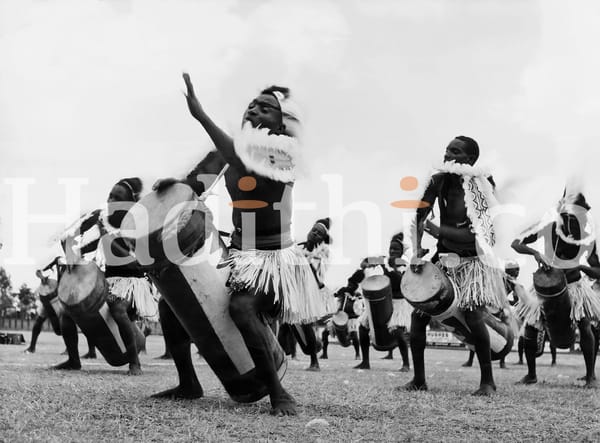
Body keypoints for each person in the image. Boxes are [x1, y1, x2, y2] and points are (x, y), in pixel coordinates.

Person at [178, 73, 329, 415]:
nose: (254, 110)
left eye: (265, 108)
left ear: (281, 123)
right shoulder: (228, 152)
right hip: (238, 256)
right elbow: (193, 185)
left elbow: (240, 156)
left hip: (276, 264)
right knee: (175, 304)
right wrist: (171, 188)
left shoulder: (284, 154)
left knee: (243, 309)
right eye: (252, 105)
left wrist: (201, 115)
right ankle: (187, 381)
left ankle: (279, 393)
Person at [405, 136, 507, 396]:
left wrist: (439, 230)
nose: (447, 153)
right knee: (418, 317)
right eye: (447, 149)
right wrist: (416, 251)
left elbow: (479, 235)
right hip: (443, 260)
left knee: (472, 316)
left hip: (473, 263)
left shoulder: (482, 185)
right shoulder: (438, 180)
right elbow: (418, 216)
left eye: (455, 151)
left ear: (470, 160)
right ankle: (419, 379)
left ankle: (487, 381)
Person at [56, 178, 157, 374]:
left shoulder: (138, 224)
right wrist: (71, 254)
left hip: (135, 283)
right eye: (110, 195)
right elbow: (72, 239)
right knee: (66, 313)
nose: (111, 200)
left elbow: (137, 264)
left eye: (117, 197)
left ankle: (135, 363)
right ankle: (73, 360)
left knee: (118, 308)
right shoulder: (102, 219)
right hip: (107, 280)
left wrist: (107, 235)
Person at [511, 189, 600, 387]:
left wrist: (581, 266)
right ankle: (531, 374)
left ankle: (590, 376)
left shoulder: (586, 235)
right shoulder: (548, 225)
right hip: (547, 285)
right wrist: (535, 253)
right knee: (531, 326)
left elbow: (597, 270)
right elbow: (515, 243)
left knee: (584, 324)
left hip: (575, 285)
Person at [353, 233, 411, 372]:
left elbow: (397, 280)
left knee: (397, 331)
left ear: (401, 252)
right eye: (391, 249)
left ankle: (406, 364)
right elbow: (363, 263)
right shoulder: (383, 260)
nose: (392, 252)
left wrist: (389, 268)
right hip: (385, 300)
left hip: (399, 303)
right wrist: (368, 263)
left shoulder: (403, 264)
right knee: (362, 326)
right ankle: (365, 361)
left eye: (396, 250)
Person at [24, 263, 96, 358]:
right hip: (49, 298)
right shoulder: (48, 270)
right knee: (40, 321)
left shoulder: (60, 270)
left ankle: (89, 351)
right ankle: (32, 347)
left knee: (78, 324)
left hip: (63, 298)